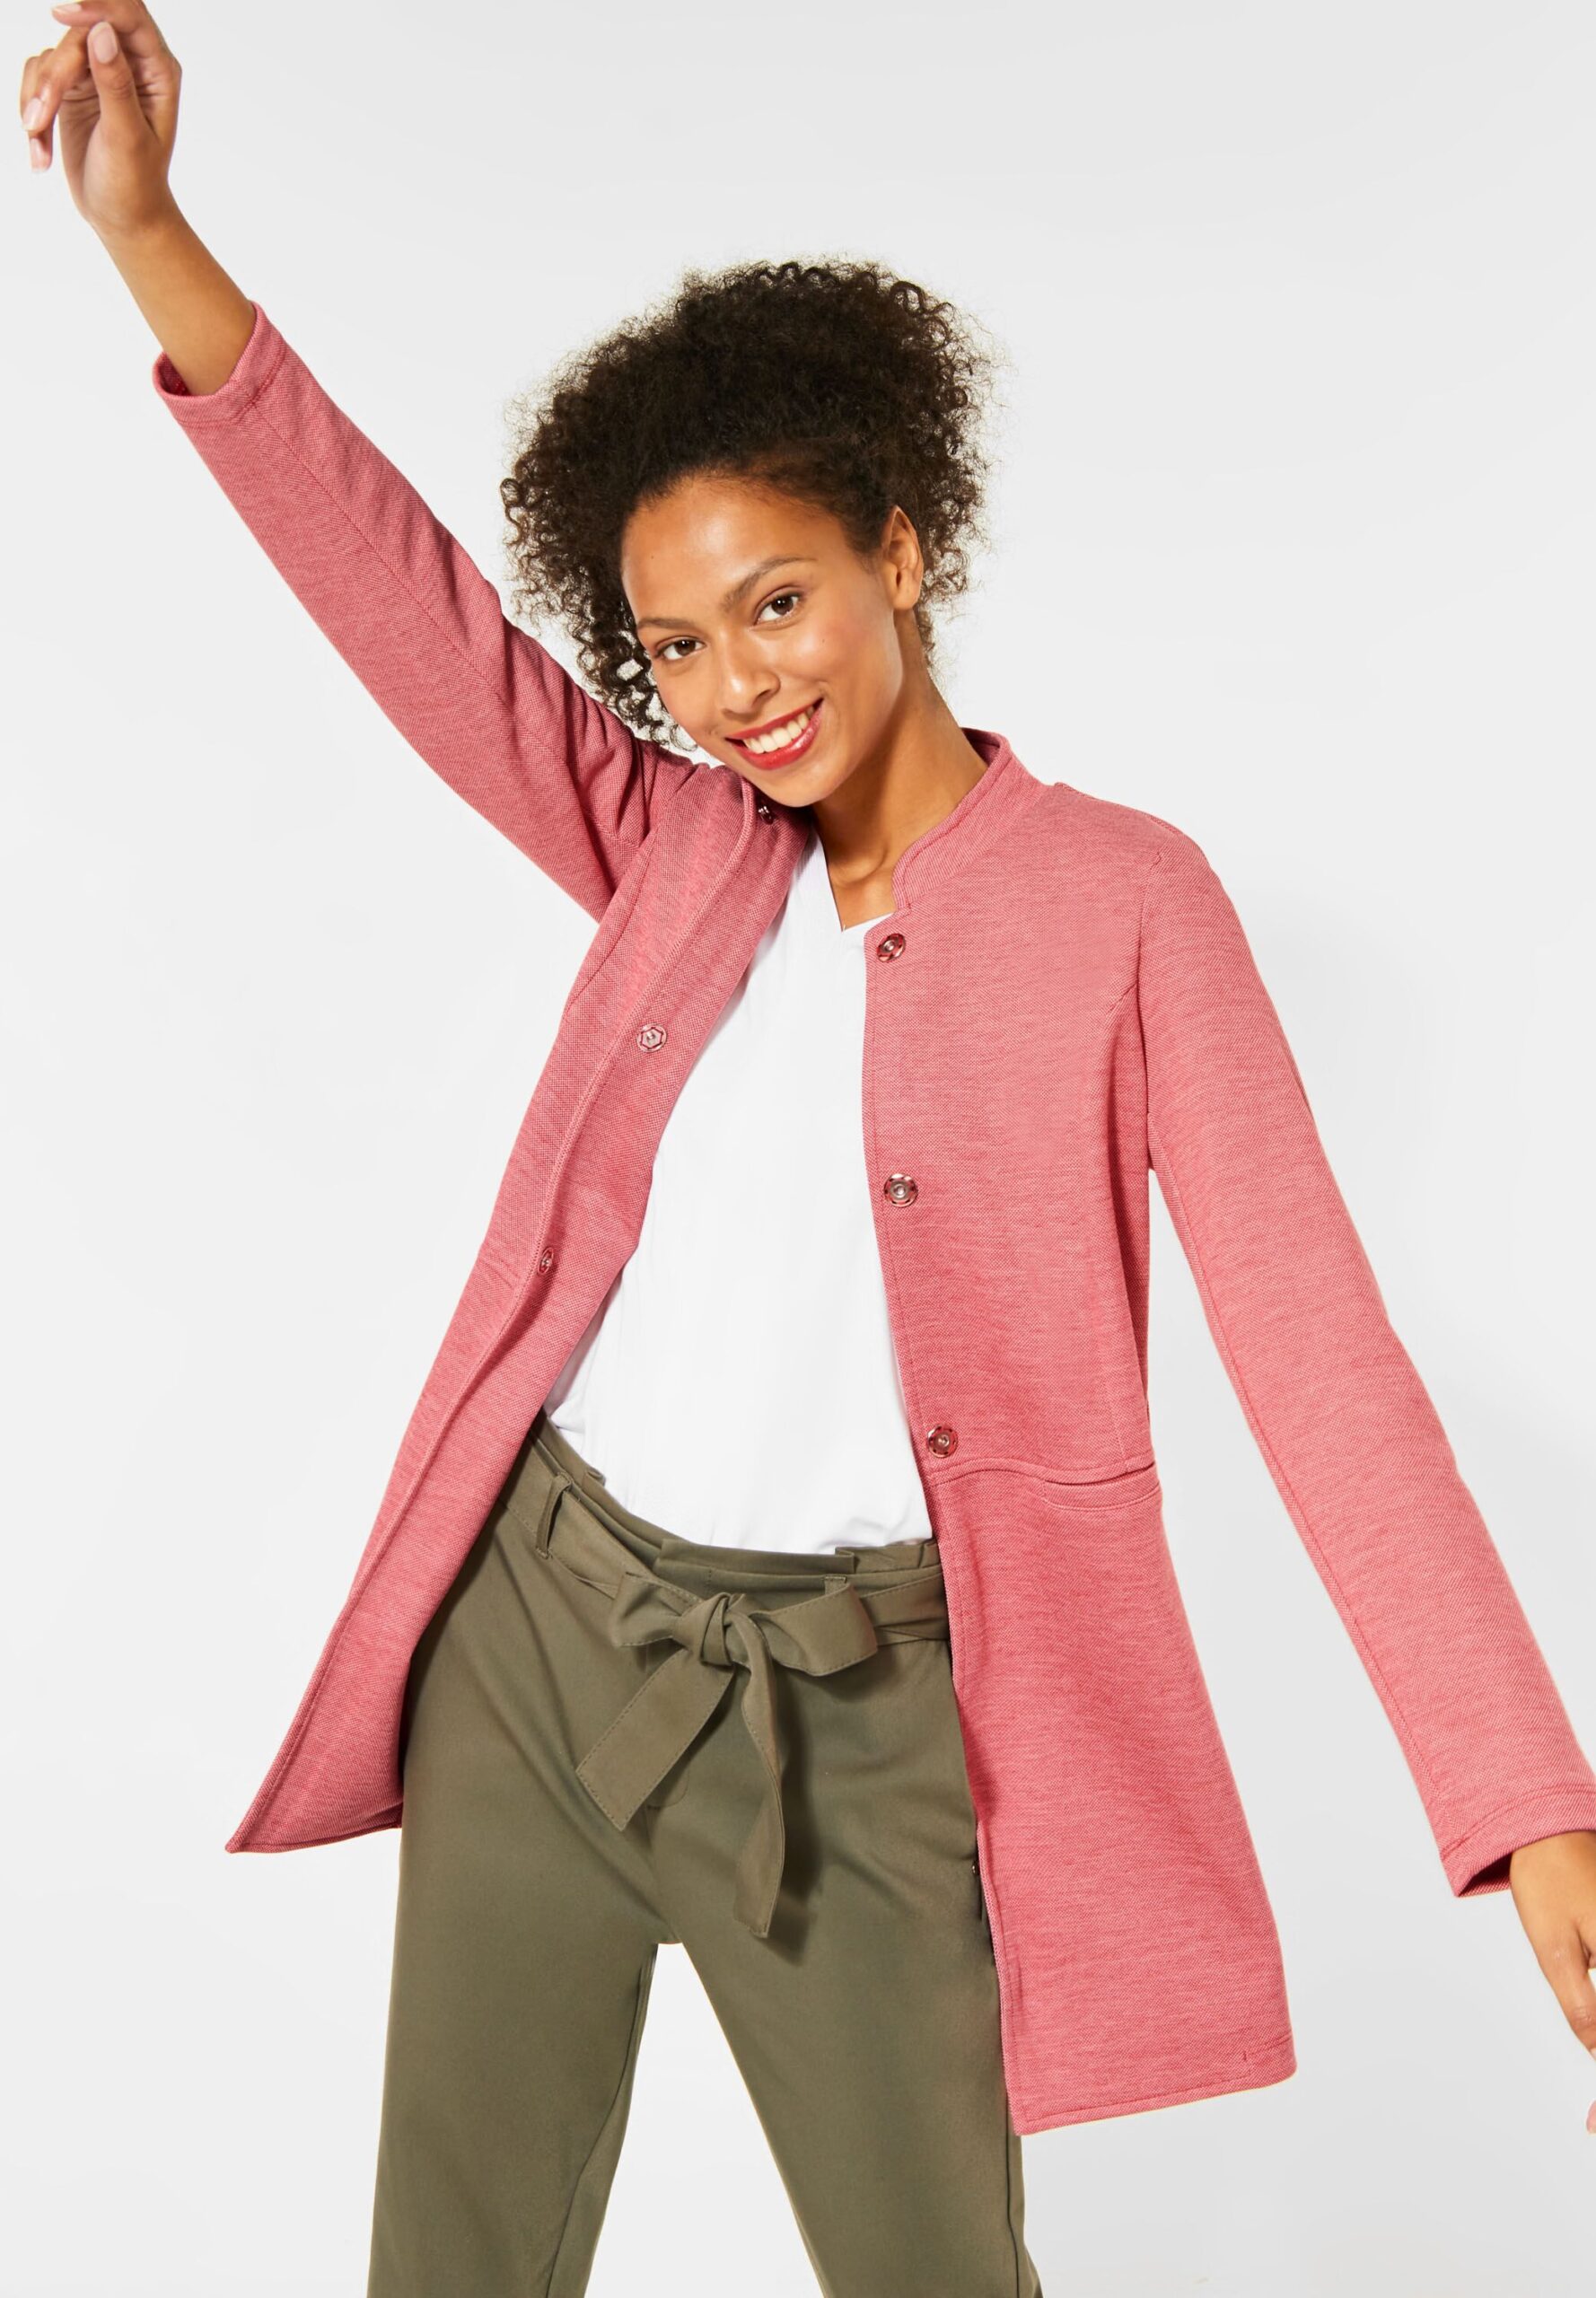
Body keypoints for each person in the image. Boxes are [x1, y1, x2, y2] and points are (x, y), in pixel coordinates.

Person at [22, 6, 1596, 2294]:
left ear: (902, 547)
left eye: (777, 602)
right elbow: (400, 599)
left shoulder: (1126, 904)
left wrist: (1526, 1800)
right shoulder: (671, 843)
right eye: (676, 645)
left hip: (867, 1734)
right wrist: (147, 231)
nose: (739, 684)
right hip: (540, 1647)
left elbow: (1322, 1364)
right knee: (448, 2262)